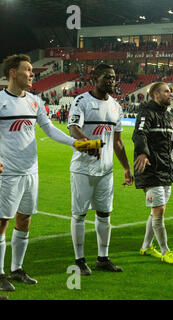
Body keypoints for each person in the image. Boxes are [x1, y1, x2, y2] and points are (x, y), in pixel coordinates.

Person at [0, 54, 97, 291]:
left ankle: (17, 269)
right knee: (2, 221)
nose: (32, 74)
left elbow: (50, 130)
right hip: (7, 173)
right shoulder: (0, 100)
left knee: (24, 219)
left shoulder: (34, 101)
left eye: (33, 70)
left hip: (31, 171)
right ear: (13, 72)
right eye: (28, 69)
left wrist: (76, 143)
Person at [68, 63, 134, 275]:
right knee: (79, 214)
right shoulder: (82, 101)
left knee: (105, 214)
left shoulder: (116, 106)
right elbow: (73, 128)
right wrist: (89, 144)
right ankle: (79, 260)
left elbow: (118, 141)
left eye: (114, 77)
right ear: (94, 78)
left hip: (105, 170)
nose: (112, 81)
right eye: (107, 77)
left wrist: (126, 167)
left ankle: (102, 258)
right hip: (83, 168)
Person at [133, 81, 173, 264]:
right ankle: (165, 251)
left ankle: (146, 247)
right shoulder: (146, 113)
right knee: (159, 210)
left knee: (157, 212)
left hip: (165, 169)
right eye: (166, 91)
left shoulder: (169, 116)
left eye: (170, 91)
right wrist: (143, 152)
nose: (170, 94)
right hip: (150, 169)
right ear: (156, 94)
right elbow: (139, 134)